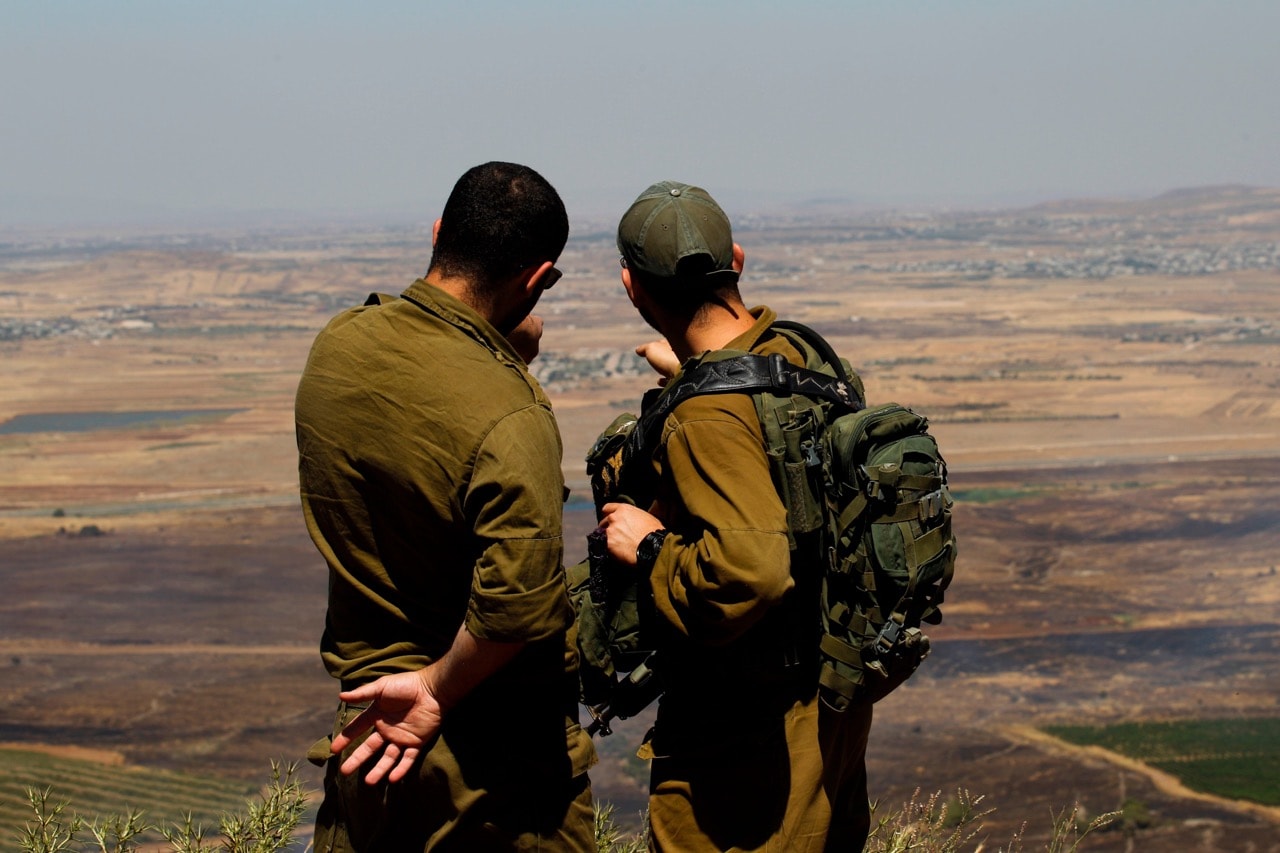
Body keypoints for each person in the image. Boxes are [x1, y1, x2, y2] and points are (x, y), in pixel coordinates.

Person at [295, 161, 595, 852]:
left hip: (366, 736)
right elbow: (517, 603)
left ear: (437, 233)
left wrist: (499, 353)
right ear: (538, 278)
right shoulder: (511, 416)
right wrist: (435, 686)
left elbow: (427, 417)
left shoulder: (338, 346)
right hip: (490, 773)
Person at [596, 181, 875, 852]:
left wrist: (651, 545)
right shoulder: (806, 356)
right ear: (738, 261)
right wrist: (691, 372)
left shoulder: (705, 417)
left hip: (744, 745)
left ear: (632, 289)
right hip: (828, 703)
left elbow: (750, 570)